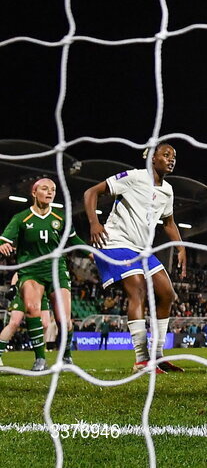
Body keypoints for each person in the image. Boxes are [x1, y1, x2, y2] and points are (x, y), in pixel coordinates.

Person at [83, 144, 188, 373]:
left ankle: (158, 357)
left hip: (142, 250)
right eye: (166, 155)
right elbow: (91, 192)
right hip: (115, 242)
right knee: (137, 289)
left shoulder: (167, 190)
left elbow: (168, 223)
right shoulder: (133, 177)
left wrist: (181, 248)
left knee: (167, 293)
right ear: (152, 158)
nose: (171, 159)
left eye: (174, 156)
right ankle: (141, 360)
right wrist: (94, 223)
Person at [0, 179, 84, 371]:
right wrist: (2, 244)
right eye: (45, 189)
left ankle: (66, 356)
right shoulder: (21, 218)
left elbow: (74, 240)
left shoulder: (61, 217)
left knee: (64, 319)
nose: (50, 192)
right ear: (34, 191)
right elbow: (3, 239)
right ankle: (40, 359)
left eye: (53, 190)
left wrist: (92, 254)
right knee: (29, 310)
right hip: (31, 272)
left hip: (56, 270)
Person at [0, 272, 53, 368]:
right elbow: (18, 271)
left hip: (41, 291)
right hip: (24, 288)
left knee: (46, 324)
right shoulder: (30, 258)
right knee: (14, 323)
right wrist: (13, 286)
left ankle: (40, 358)